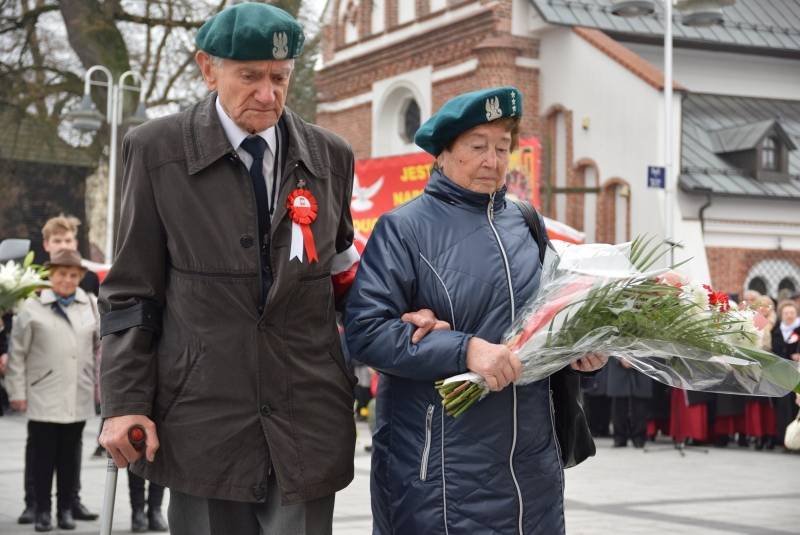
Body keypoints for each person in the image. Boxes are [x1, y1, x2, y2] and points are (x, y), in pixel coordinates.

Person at [96, 4, 365, 535]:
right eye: (250, 77)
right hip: (203, 420)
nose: (268, 94)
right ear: (207, 68)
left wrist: (408, 316)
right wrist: (124, 402)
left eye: (279, 78)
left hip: (305, 419)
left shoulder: (332, 156)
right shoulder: (155, 151)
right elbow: (131, 291)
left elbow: (345, 276)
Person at [345, 86, 607, 534]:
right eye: (478, 147)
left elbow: (548, 319)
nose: (493, 160)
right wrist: (465, 351)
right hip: (442, 470)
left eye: (503, 148)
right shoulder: (404, 229)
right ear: (443, 153)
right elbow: (366, 332)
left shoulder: (527, 223)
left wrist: (581, 356)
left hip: (533, 471)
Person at [15, 216, 100, 526]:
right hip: (44, 380)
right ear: (47, 245)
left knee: (70, 449)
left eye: (68, 242)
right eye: (58, 242)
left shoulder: (89, 287)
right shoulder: (32, 283)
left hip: (75, 383)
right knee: (39, 448)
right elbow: (19, 336)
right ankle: (34, 504)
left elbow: (96, 340)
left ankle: (69, 502)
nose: (67, 279)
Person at [771, 300, 800, 448]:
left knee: (796, 407)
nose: (789, 316)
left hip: (797, 374)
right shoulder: (776, 331)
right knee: (783, 407)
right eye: (786, 313)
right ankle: (784, 439)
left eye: (792, 313)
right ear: (781, 315)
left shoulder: (799, 329)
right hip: (782, 374)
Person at [606, 357, 652, 448]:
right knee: (619, 405)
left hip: (641, 363)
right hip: (617, 364)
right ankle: (619, 437)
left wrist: (636, 359)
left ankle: (639, 437)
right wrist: (620, 359)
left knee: (640, 404)